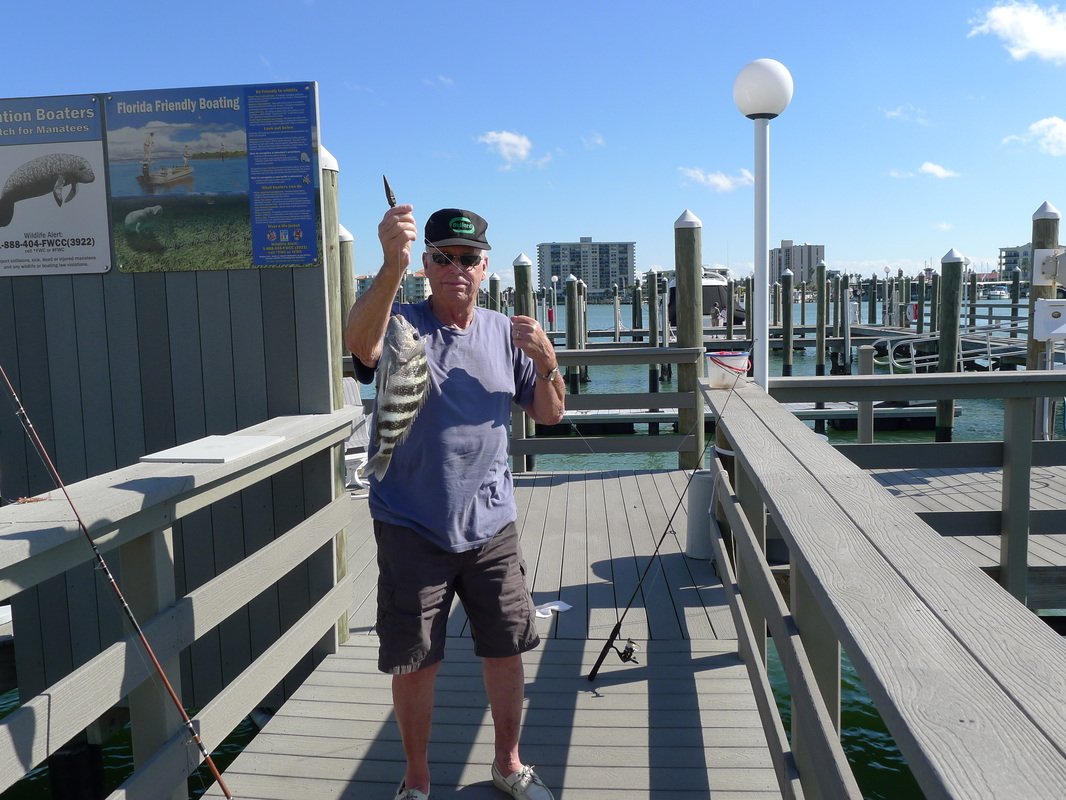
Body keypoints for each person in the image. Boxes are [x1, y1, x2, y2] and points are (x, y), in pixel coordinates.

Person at [344, 205, 564, 800]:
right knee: (415, 660)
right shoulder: (401, 323)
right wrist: (390, 264)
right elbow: (359, 344)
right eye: (442, 257)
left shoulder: (505, 331)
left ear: (484, 266)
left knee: (507, 648)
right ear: (427, 264)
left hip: (492, 525)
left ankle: (508, 763)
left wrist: (546, 361)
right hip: (411, 523)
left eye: (467, 259)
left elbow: (548, 412)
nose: (456, 268)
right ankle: (417, 781)